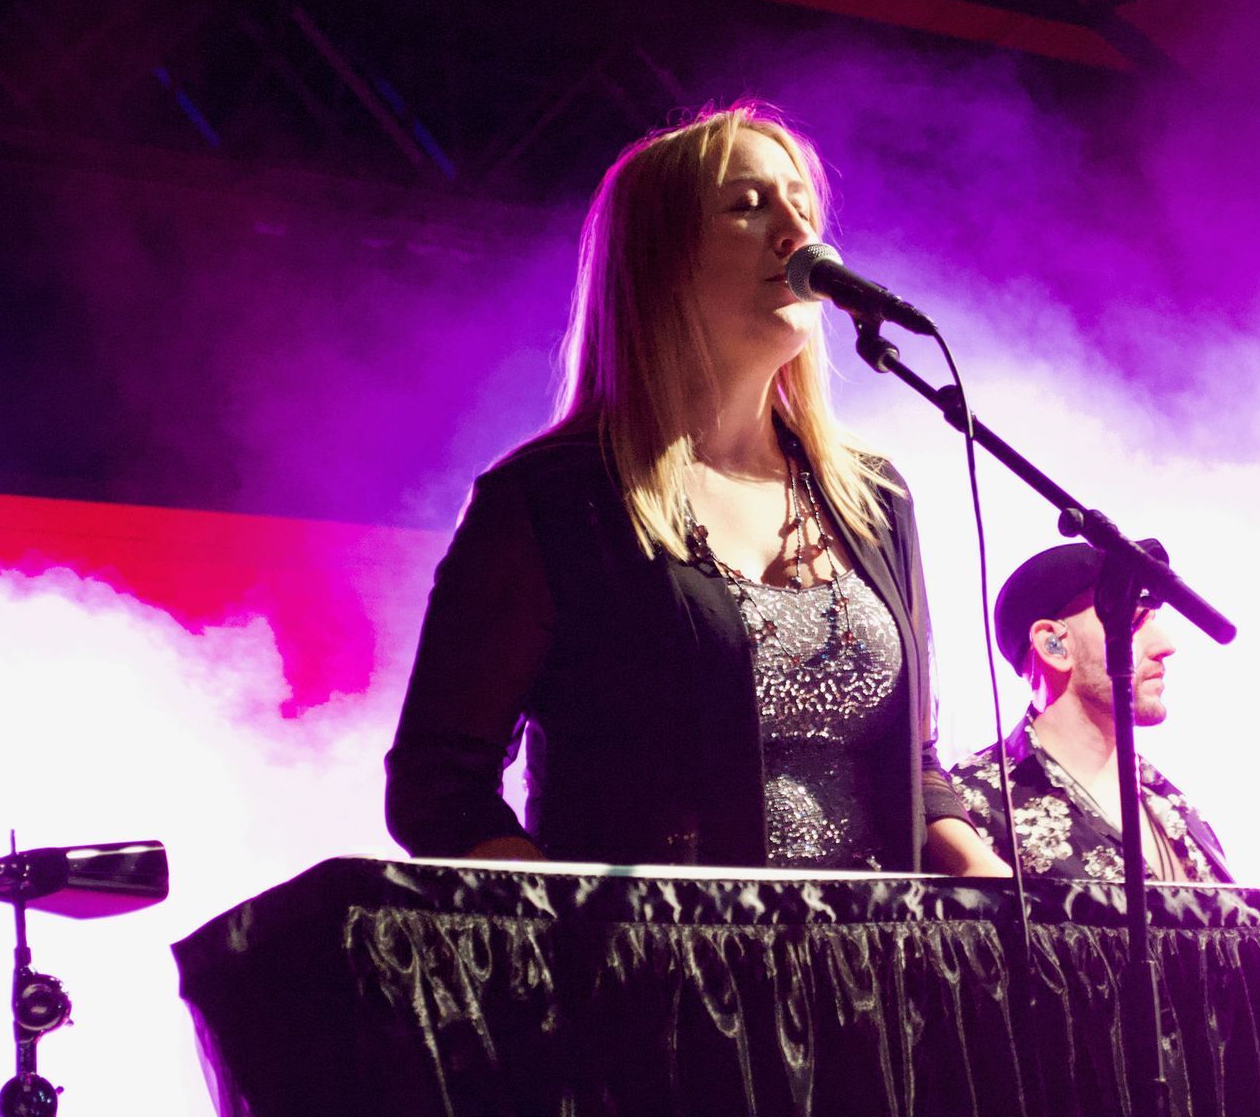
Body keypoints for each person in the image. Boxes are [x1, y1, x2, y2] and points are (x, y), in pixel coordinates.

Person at [384, 102, 1007, 876]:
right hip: (665, 978)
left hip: (874, 972)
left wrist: (1005, 904)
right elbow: (439, 787)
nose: (796, 231)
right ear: (659, 260)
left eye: (802, 205)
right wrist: (564, 927)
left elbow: (917, 768)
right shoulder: (553, 498)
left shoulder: (872, 495)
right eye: (748, 207)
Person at [950, 543, 1233, 883]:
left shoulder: (1177, 808)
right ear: (1053, 645)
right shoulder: (971, 806)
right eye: (1133, 622)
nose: (1166, 645)